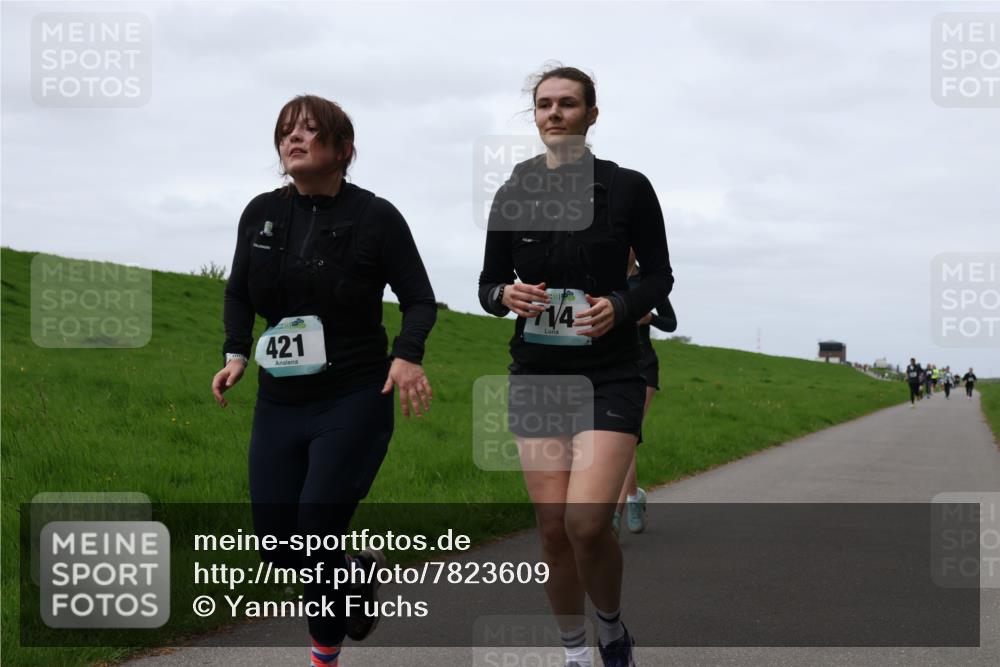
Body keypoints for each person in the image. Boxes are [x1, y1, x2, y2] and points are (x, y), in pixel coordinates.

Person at [211, 95, 437, 667]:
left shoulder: (376, 217)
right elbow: (238, 290)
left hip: (355, 394)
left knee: (316, 530)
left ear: (343, 149)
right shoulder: (260, 211)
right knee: (276, 543)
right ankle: (355, 570)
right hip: (280, 398)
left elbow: (417, 299)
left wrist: (407, 355)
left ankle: (323, 655)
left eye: (310, 131)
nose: (294, 139)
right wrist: (237, 352)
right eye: (286, 131)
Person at [478, 64, 672, 667]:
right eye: (544, 105)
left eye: (567, 103)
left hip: (611, 373)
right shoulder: (513, 193)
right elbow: (488, 284)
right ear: (534, 117)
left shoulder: (630, 188)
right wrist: (503, 297)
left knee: (587, 523)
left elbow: (661, 277)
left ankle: (611, 630)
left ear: (592, 114)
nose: (554, 113)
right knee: (555, 532)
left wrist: (619, 305)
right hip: (537, 376)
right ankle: (575, 655)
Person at [612, 249, 677, 537]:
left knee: (629, 434)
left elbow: (671, 322)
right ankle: (634, 496)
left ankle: (615, 514)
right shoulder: (605, 279)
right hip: (612, 366)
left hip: (643, 365)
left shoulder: (648, 283)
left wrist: (650, 318)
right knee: (623, 436)